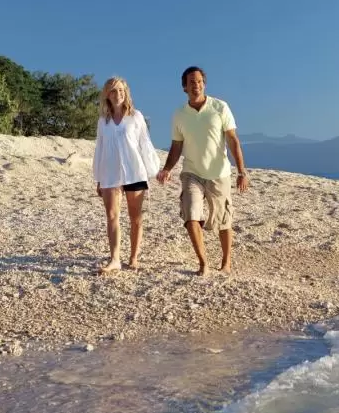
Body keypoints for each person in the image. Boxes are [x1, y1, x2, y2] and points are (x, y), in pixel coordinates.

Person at [155, 66, 249, 275]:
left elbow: (232, 140)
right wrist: (167, 169)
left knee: (224, 220)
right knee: (191, 215)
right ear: (184, 88)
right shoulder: (179, 115)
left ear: (204, 84)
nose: (195, 85)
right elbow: (177, 146)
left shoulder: (220, 107)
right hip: (191, 172)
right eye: (191, 82)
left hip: (219, 173)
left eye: (199, 81)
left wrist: (242, 171)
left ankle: (226, 262)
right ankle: (203, 263)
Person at [92, 77, 160, 274]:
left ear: (126, 92)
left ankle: (133, 257)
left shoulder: (136, 116)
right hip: (110, 173)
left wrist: (152, 171)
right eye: (113, 91)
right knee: (112, 216)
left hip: (134, 172)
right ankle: (115, 259)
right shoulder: (103, 122)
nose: (118, 94)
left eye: (121, 90)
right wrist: (98, 177)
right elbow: (100, 149)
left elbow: (144, 144)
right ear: (107, 95)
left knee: (135, 217)